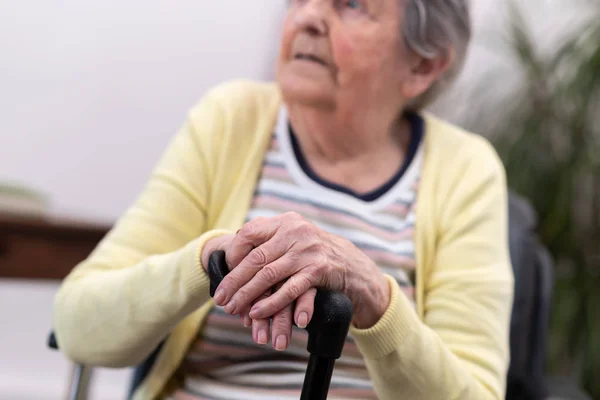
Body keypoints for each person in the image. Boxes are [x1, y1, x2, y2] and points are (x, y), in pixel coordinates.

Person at [53, 0, 514, 399]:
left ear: (422, 66)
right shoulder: (230, 119)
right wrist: (216, 260)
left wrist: (373, 296)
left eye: (350, 4)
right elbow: (78, 326)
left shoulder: (465, 170)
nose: (307, 17)